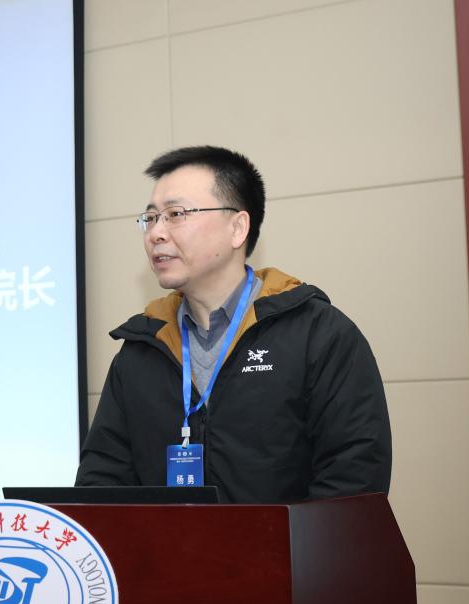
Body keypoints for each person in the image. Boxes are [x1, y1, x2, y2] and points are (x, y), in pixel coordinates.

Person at [75, 145, 391, 503]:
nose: (156, 233)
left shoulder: (318, 335)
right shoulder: (141, 349)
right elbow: (102, 483)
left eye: (176, 214)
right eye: (150, 218)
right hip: (167, 544)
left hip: (287, 543)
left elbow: (353, 480)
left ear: (238, 228)